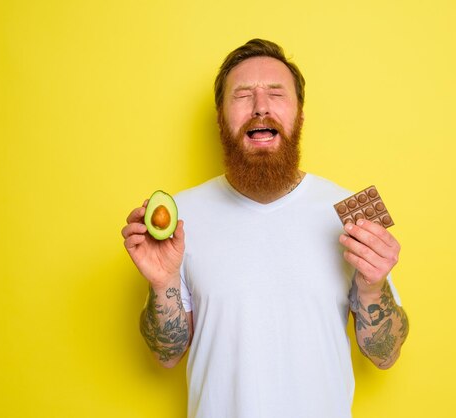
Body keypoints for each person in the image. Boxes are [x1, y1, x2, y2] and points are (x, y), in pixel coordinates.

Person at [122, 39, 409, 418]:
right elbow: (167, 354)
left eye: (276, 93)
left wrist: (373, 287)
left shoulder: (347, 217)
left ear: (300, 115)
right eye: (242, 95)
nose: (260, 107)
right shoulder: (182, 218)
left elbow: (385, 355)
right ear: (221, 118)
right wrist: (162, 285)